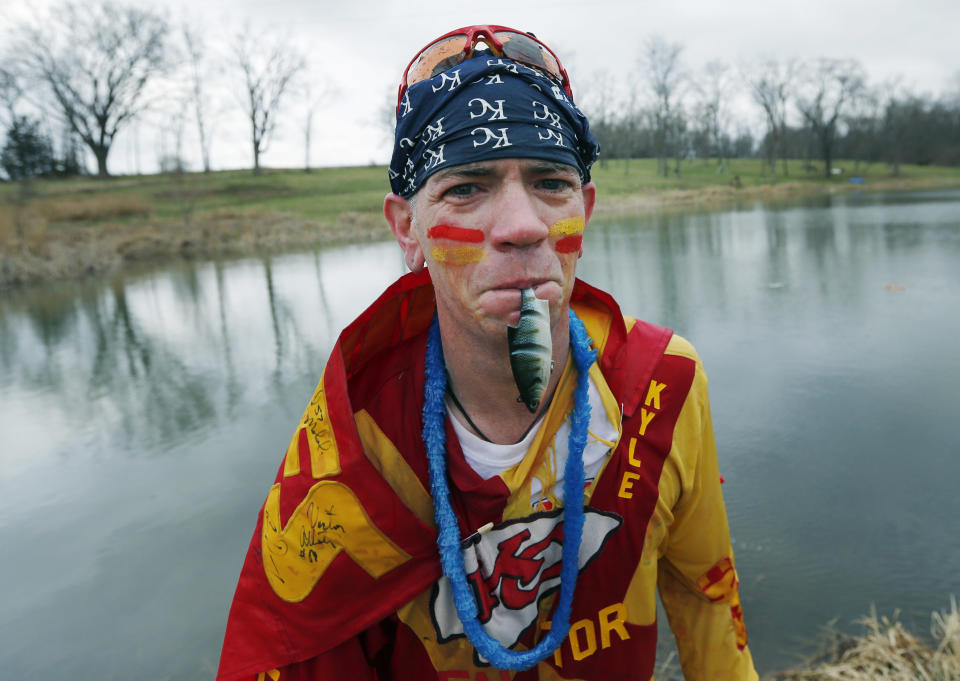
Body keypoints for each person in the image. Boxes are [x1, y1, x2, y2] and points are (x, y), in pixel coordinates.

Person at [217, 25, 758, 681]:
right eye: (466, 188)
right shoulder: (354, 446)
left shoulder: (661, 381)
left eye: (550, 182)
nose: (523, 224)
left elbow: (709, 603)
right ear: (406, 228)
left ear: (583, 210)